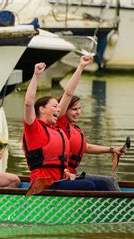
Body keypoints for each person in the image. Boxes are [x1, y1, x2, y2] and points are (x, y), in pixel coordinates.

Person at [22, 58, 109, 191]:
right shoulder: (33, 128)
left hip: (60, 179)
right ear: (42, 109)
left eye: (59, 107)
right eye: (55, 106)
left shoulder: (56, 128)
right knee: (89, 186)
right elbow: (28, 102)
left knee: (103, 184)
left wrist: (80, 66)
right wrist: (36, 76)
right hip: (42, 185)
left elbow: (68, 94)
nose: (59, 109)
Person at [57, 95, 124, 191]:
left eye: (79, 108)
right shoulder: (60, 124)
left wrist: (112, 149)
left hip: (73, 172)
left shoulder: (75, 129)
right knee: (105, 183)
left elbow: (86, 147)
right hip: (64, 175)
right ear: (64, 110)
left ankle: (117, 201)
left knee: (111, 181)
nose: (78, 112)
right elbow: (68, 93)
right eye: (74, 109)